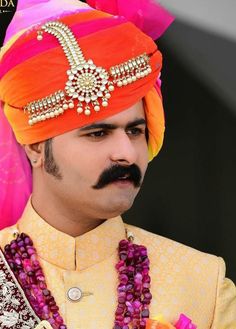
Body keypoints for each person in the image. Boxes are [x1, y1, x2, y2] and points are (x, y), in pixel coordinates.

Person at [0, 1, 235, 329]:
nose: (126, 153)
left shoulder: (203, 284)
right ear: (36, 146)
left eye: (136, 131)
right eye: (98, 133)